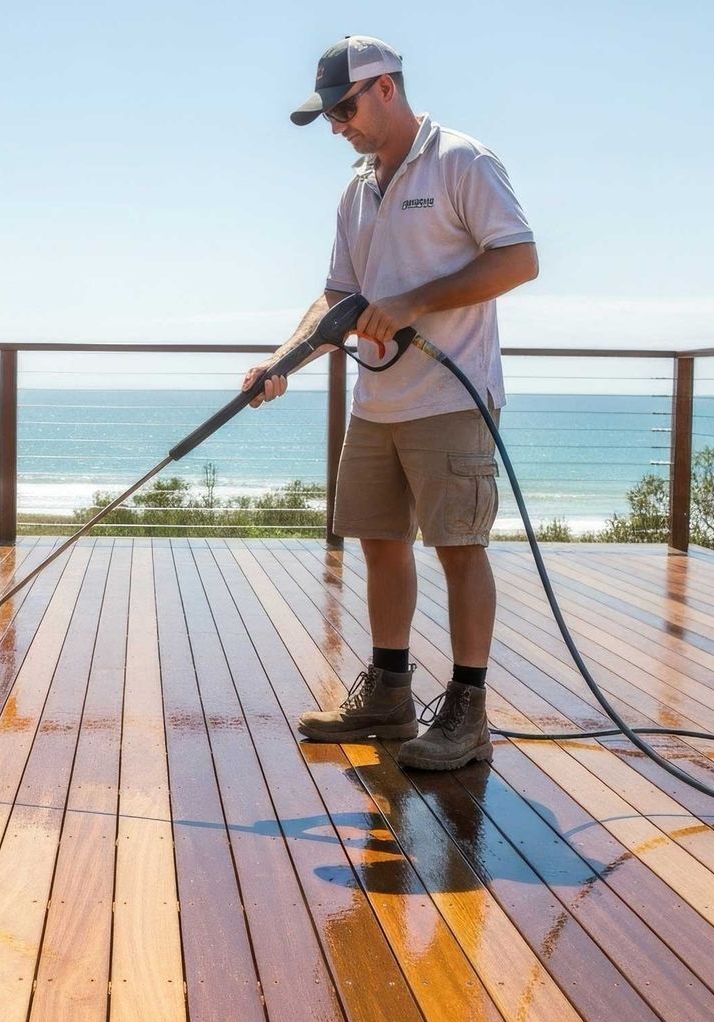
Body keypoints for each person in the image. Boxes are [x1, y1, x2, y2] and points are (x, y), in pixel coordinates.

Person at [246, 35, 539, 771]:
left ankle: (468, 714)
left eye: (343, 108)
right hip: (378, 401)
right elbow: (339, 297)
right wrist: (285, 360)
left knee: (458, 548)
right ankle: (389, 694)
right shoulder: (357, 189)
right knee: (378, 541)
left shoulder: (460, 161)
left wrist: (413, 303)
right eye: (327, 116)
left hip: (451, 395)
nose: (337, 125)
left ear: (386, 88)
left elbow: (520, 257)